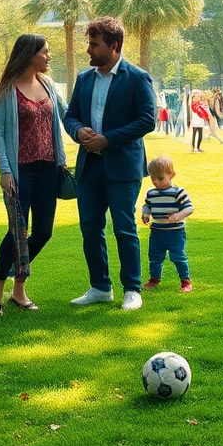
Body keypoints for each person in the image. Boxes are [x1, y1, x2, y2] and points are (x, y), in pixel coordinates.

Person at [64, 16, 157, 311]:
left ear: (113, 46)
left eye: (94, 44)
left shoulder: (137, 77)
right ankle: (100, 287)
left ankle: (132, 288)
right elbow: (70, 116)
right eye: (89, 43)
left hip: (123, 167)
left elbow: (147, 119)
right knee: (90, 227)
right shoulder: (84, 78)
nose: (89, 50)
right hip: (89, 167)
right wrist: (78, 130)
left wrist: (109, 139)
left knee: (124, 227)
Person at [0, 34, 67, 314]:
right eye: (45, 51)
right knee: (16, 232)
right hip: (20, 172)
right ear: (30, 54)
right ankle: (0, 289)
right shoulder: (7, 90)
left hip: (48, 169)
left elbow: (67, 115)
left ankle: (7, 283)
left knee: (43, 232)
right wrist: (4, 170)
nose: (48, 56)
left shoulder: (49, 84)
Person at [140, 155, 194, 293]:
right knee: (154, 257)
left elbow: (189, 208)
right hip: (157, 232)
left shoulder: (178, 192)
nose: (156, 182)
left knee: (178, 257)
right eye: (153, 178)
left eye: (160, 178)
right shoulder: (151, 193)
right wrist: (145, 214)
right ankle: (154, 279)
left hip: (175, 233)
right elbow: (147, 206)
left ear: (172, 175)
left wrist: (178, 215)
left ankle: (185, 281)